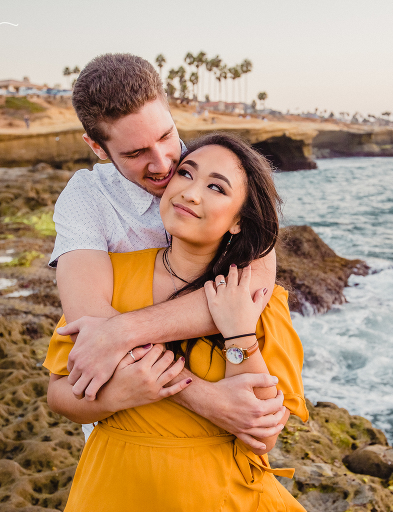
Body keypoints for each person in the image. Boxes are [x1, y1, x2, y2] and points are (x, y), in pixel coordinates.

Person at [44, 133, 307, 511]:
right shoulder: (110, 278)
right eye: (186, 173)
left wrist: (239, 333)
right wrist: (118, 396)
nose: (191, 193)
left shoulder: (254, 299)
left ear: (238, 220)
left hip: (220, 498)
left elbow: (262, 439)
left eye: (216, 187)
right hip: (110, 492)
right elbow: (58, 394)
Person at [47, 53, 286, 449]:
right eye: (135, 153)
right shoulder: (87, 197)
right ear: (97, 147)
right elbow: (89, 324)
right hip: (122, 421)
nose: (163, 164)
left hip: (215, 437)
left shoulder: (221, 172)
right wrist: (206, 399)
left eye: (165, 136)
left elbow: (248, 291)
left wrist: (122, 331)